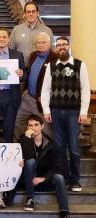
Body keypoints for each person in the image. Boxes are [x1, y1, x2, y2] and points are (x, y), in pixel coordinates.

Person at [41, 36, 90, 192]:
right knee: (60, 147)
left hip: (73, 112)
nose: (61, 47)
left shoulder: (79, 65)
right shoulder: (51, 66)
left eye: (64, 44)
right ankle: (65, 178)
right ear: (56, 47)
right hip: (55, 111)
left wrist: (83, 112)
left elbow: (85, 90)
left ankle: (75, 180)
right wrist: (46, 110)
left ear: (69, 46)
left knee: (74, 148)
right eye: (59, 45)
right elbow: (45, 90)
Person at [19, 114, 72, 218]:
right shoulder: (22, 140)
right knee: (30, 162)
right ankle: (30, 199)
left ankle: (64, 215)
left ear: (42, 126)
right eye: (30, 125)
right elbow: (28, 157)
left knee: (59, 177)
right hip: (28, 180)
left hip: (46, 180)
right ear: (27, 127)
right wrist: (27, 138)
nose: (33, 128)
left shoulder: (52, 144)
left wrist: (44, 178)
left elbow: (58, 168)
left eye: (36, 125)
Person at [14, 32, 57, 140]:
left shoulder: (55, 58)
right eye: (38, 42)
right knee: (19, 122)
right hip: (28, 97)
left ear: (49, 43)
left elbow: (57, 81)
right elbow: (30, 74)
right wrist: (26, 89)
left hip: (43, 100)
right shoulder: (33, 55)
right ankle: (20, 150)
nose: (41, 44)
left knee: (45, 129)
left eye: (44, 42)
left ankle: (46, 154)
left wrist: (48, 96)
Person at [10, 1, 53, 67]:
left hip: (40, 69)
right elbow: (11, 50)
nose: (31, 14)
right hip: (21, 69)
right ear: (24, 14)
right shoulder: (16, 29)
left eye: (33, 11)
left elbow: (52, 50)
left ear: (37, 13)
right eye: (28, 12)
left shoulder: (47, 30)